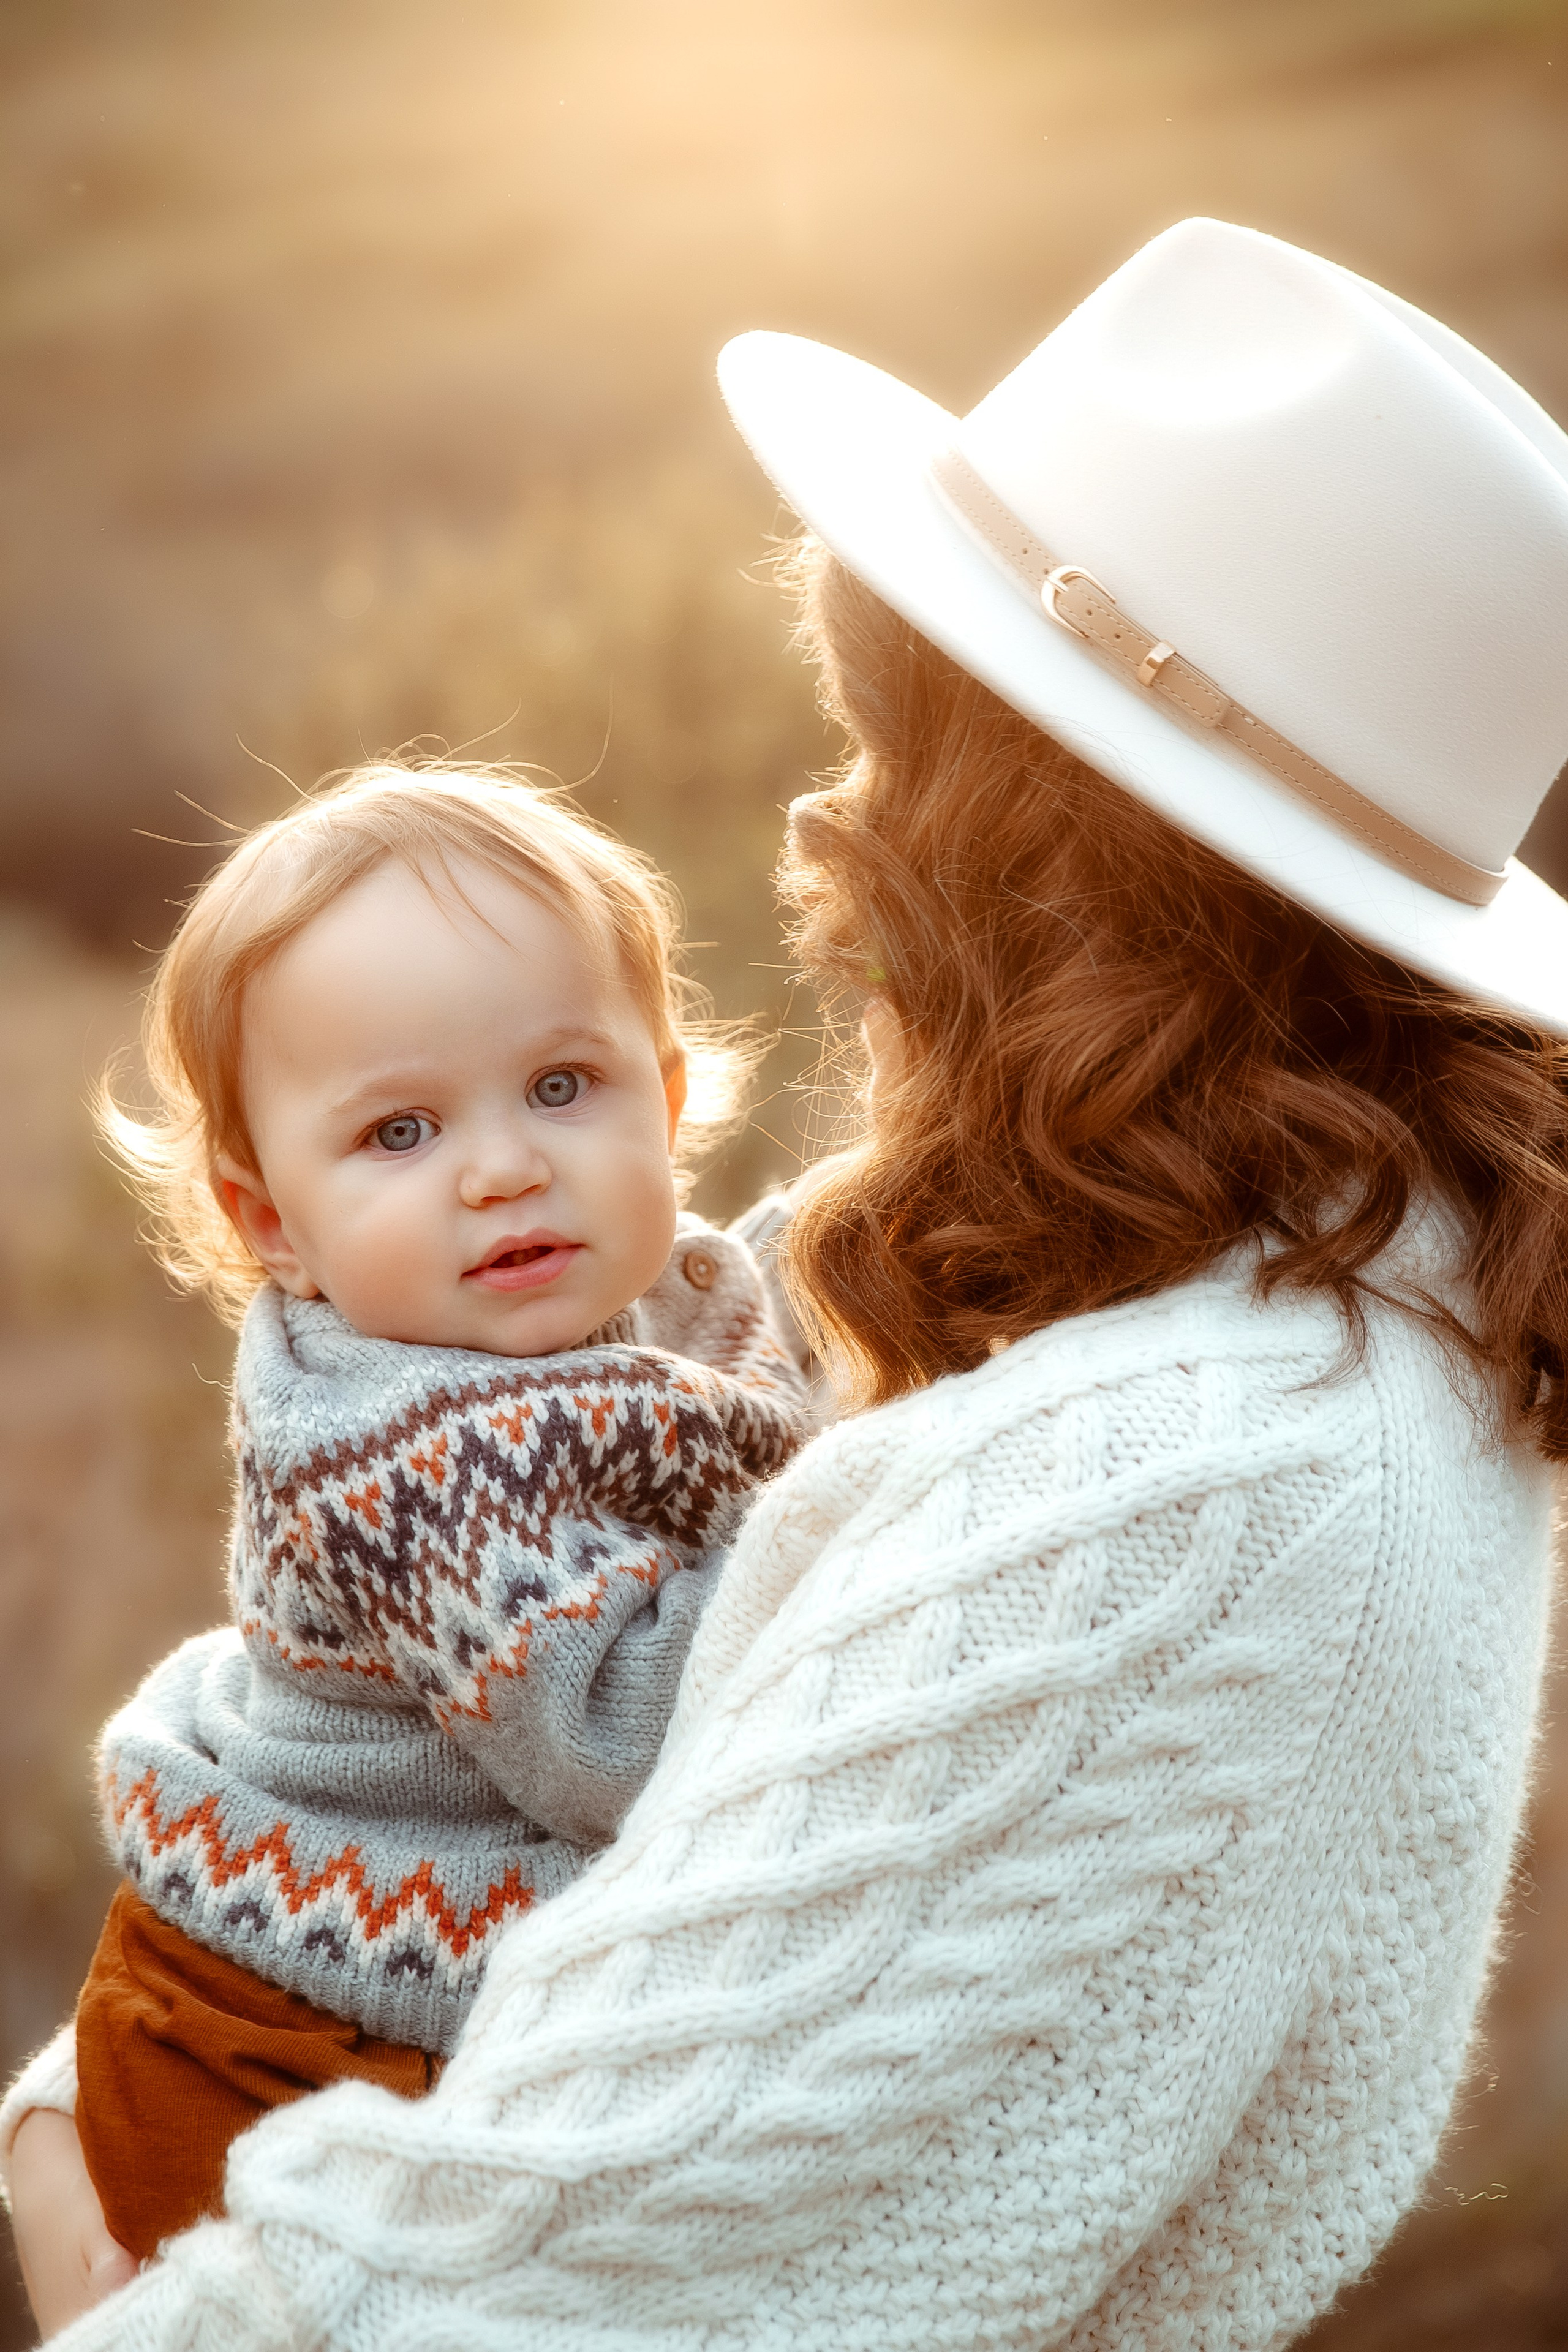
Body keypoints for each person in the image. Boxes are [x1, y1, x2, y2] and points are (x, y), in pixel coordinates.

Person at [9, 213, 1568, 2350]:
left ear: (1048, 848)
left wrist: (76, 2208)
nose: (834, 833)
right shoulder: (1233, 1289)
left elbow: (512, 2267)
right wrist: (76, 2106)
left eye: (887, 754)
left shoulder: (1206, 1483)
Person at [4, 768, 809, 2284]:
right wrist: (853, 1514)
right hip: (292, 2037)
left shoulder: (615, 1294)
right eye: (400, 1131)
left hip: (367, 1992)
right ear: (272, 1225)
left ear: (666, 1100)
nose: (503, 1166)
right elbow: (617, 1744)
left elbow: (750, 1381)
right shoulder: (398, 1458)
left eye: (561, 1087)